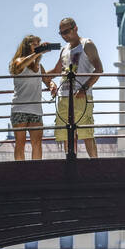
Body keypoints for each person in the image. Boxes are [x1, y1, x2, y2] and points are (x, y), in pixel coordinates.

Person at [45, 17, 104, 157]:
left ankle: (96, 166)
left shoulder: (87, 44)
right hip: (63, 97)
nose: (65, 35)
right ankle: (69, 164)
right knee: (66, 135)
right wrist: (47, 80)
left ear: (75, 28)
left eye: (67, 31)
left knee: (87, 133)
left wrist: (84, 88)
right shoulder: (64, 49)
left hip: (81, 97)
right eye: (61, 33)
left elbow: (99, 69)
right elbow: (55, 71)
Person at [9, 34, 57, 160]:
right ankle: (22, 173)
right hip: (20, 109)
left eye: (38, 44)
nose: (37, 46)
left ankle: (36, 173)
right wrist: (38, 52)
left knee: (37, 144)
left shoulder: (39, 66)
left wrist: (52, 85)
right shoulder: (18, 61)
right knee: (20, 143)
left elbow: (47, 80)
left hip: (36, 109)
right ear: (26, 46)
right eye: (34, 44)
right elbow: (22, 64)